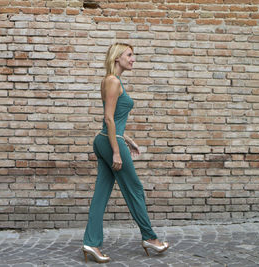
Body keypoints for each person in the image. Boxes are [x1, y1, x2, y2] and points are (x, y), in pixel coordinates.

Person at [82, 43, 169, 263]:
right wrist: (116, 152)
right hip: (110, 144)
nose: (133, 59)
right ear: (117, 57)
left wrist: (128, 140)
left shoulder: (111, 81)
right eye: (129, 55)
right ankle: (149, 237)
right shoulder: (112, 81)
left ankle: (91, 243)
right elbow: (108, 118)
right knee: (135, 189)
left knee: (101, 195)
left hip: (107, 140)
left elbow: (115, 121)